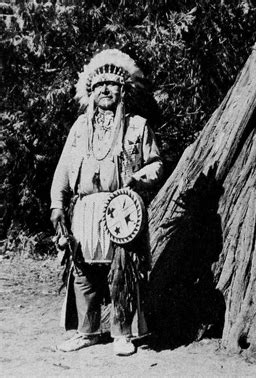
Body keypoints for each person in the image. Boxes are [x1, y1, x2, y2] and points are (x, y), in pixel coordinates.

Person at [50, 49, 163, 356]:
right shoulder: (79, 128)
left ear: (123, 90)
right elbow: (63, 169)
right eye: (99, 86)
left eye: (112, 85)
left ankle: (123, 334)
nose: (105, 90)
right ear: (90, 92)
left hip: (122, 209)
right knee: (82, 270)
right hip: (84, 210)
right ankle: (87, 331)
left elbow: (156, 165)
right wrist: (57, 205)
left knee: (122, 270)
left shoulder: (137, 126)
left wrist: (136, 179)